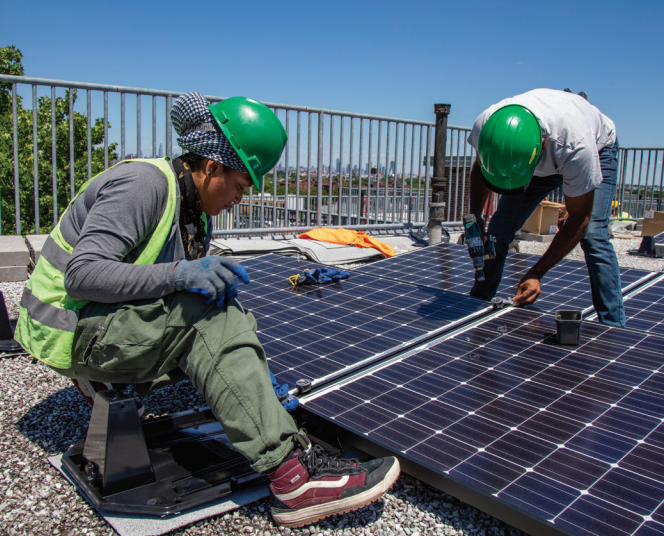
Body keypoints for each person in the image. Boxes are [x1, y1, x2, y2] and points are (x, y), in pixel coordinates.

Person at [15, 92, 400, 527]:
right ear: (211, 166)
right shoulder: (145, 186)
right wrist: (180, 275)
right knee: (205, 315)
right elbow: (82, 275)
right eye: (240, 184)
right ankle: (294, 478)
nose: (242, 196)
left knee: (217, 307)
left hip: (92, 326)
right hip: (66, 332)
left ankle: (130, 387)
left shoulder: (192, 208)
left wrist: (251, 375)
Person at [467, 88, 624, 326]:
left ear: (540, 147)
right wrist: (475, 215)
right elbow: (481, 168)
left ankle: (613, 325)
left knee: (594, 236)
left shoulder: (576, 147)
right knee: (499, 227)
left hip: (597, 147)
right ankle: (479, 300)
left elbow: (579, 219)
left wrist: (536, 273)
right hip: (533, 157)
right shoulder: (488, 126)